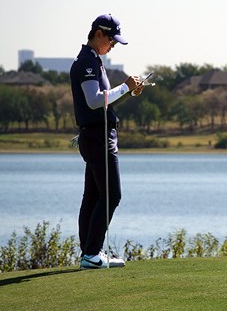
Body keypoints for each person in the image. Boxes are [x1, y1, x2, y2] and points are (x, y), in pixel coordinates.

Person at [70, 14, 143, 269]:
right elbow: (93, 101)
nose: (112, 45)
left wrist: (128, 93)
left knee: (93, 195)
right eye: (111, 39)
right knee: (112, 194)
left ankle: (89, 253)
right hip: (98, 137)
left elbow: (104, 102)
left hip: (96, 135)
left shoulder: (94, 61)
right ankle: (91, 253)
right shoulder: (87, 62)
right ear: (98, 34)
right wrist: (124, 87)